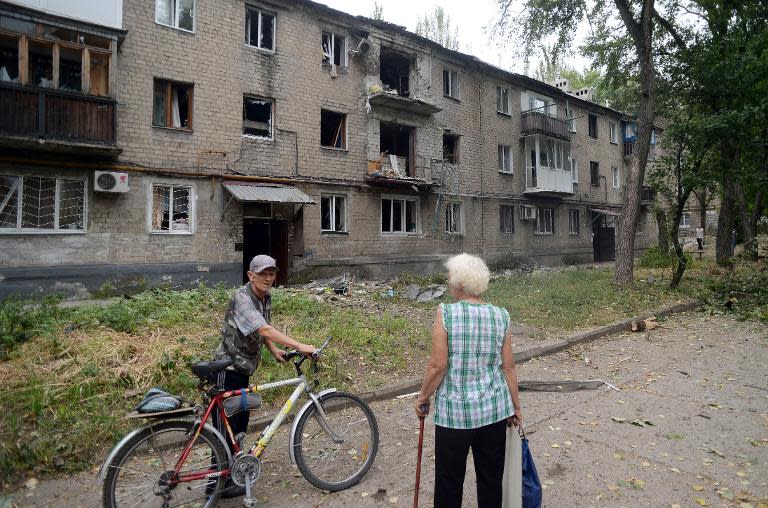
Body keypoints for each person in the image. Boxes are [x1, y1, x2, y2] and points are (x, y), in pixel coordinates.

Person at [415, 253, 522, 508]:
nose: (449, 281)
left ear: (460, 283)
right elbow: (508, 367)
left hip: (455, 416)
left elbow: (437, 365)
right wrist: (516, 406)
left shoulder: (446, 314)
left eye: (451, 277)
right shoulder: (501, 316)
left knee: (449, 482)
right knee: (490, 479)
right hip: (494, 412)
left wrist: (422, 397)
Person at [212, 254, 317, 497]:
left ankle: (232, 479)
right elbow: (263, 328)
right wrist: (301, 346)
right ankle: (213, 487)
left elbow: (261, 326)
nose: (268, 278)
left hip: (244, 369)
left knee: (238, 428)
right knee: (222, 433)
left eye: (271, 273)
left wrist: (273, 349)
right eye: (262, 274)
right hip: (227, 370)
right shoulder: (242, 298)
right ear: (251, 275)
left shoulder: (265, 297)